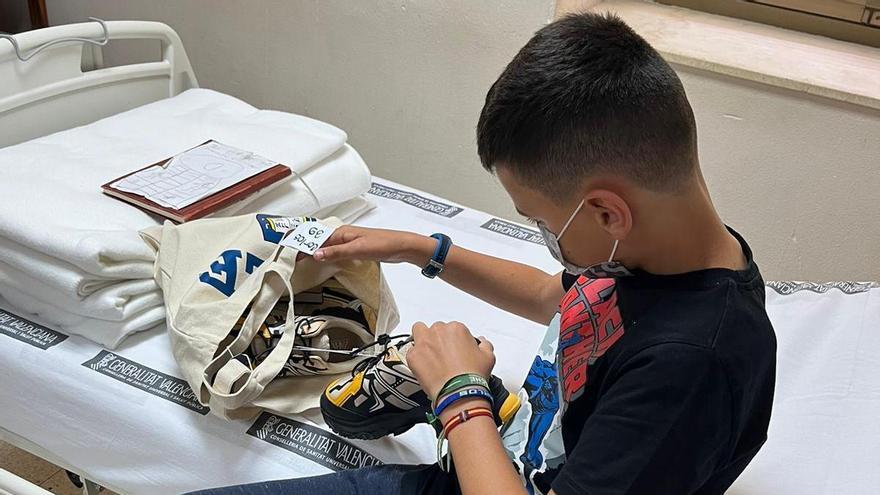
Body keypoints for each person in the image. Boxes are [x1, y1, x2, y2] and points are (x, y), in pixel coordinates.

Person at [192, 12, 776, 495]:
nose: (548, 237)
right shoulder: (660, 250)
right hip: (527, 437)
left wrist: (460, 396)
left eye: (542, 222)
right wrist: (418, 248)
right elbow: (558, 297)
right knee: (353, 404)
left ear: (607, 213)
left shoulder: (693, 367)